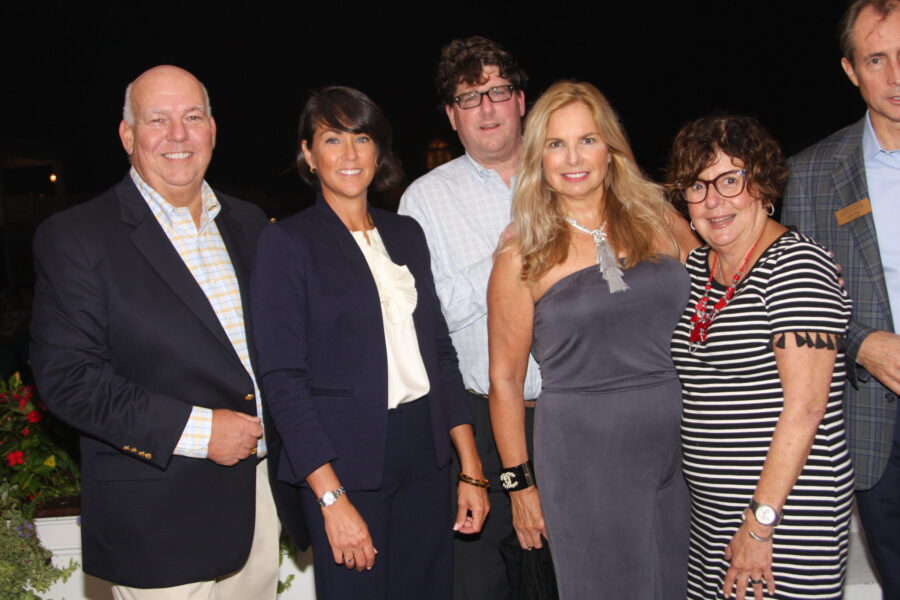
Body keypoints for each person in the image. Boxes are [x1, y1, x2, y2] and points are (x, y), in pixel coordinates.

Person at [29, 65, 282, 599]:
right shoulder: (77, 237)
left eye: (192, 117)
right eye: (157, 119)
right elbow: (68, 379)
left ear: (213, 129)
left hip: (258, 504)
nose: (178, 135)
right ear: (128, 135)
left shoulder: (250, 224)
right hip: (158, 521)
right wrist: (198, 431)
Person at [250, 86, 488, 600]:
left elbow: (440, 354)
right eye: (332, 139)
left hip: (426, 456)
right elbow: (283, 382)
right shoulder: (286, 243)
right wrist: (332, 500)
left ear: (378, 149)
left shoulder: (407, 234)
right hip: (344, 465)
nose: (350, 154)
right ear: (309, 155)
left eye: (362, 138)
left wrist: (470, 467)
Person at [489, 80, 697, 600]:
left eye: (587, 140)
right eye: (556, 144)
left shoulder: (660, 220)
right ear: (538, 156)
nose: (573, 157)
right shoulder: (523, 252)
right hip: (585, 460)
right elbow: (506, 379)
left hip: (687, 451)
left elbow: (724, 288)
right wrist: (520, 486)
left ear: (611, 148)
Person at [667, 114, 855, 600]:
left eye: (731, 180)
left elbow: (806, 408)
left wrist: (758, 527)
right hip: (711, 521)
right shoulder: (696, 271)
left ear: (763, 185)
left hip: (784, 521)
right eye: (697, 185)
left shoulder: (797, 265)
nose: (714, 200)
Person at [398, 36, 542, 600]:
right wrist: (510, 256)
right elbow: (430, 317)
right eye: (469, 98)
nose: (486, 108)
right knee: (481, 582)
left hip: (573, 415)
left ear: (521, 100)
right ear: (451, 117)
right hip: (478, 423)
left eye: (497, 92)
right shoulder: (423, 201)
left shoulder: (568, 169)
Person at [782, 2, 900, 596]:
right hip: (877, 425)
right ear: (852, 70)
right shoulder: (811, 175)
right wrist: (861, 343)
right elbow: (802, 297)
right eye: (877, 59)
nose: (897, 75)